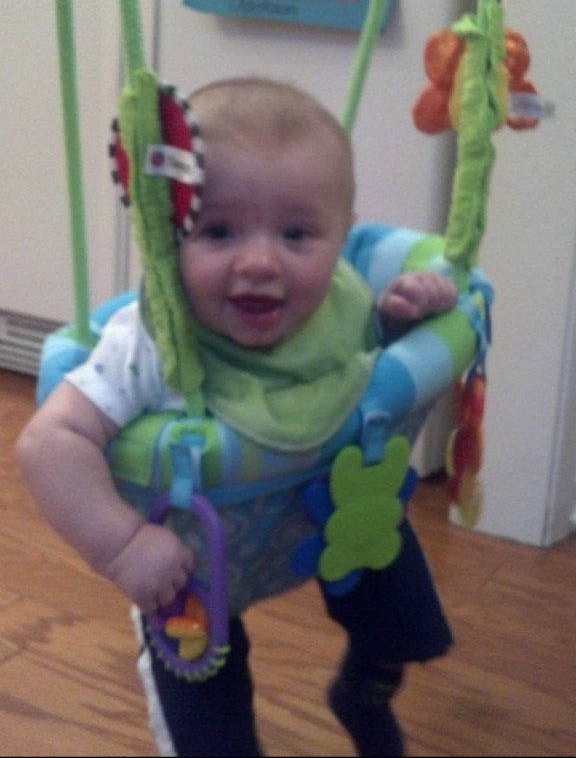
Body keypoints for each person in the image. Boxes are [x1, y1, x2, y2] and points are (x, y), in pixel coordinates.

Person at [17, 76, 460, 758]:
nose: (259, 262)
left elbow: (356, 359)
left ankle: (365, 689)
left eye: (296, 234)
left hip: (322, 513)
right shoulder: (152, 341)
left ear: (343, 236)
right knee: (205, 711)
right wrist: (123, 546)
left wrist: (397, 318)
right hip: (191, 561)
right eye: (219, 231)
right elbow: (48, 441)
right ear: (169, 238)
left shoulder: (341, 297)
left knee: (400, 604)